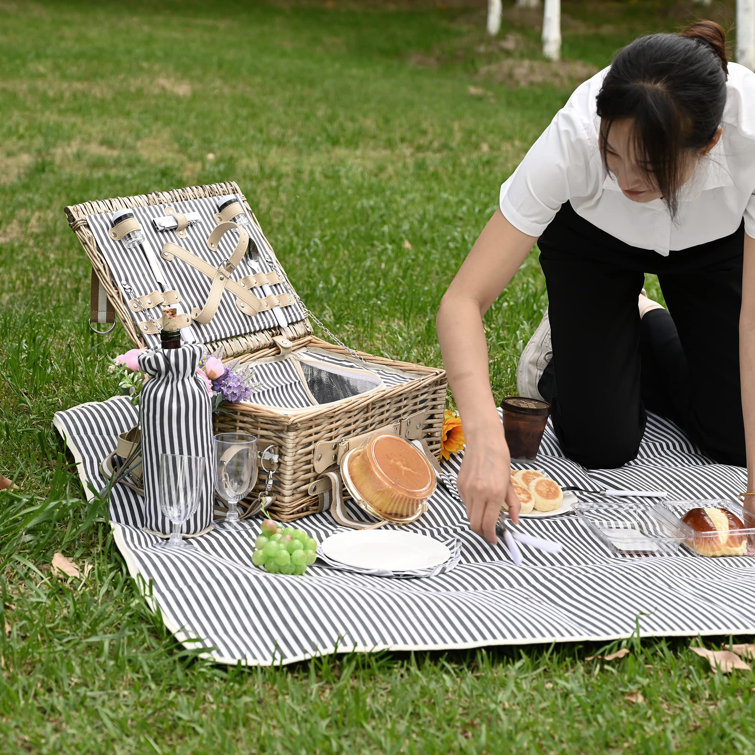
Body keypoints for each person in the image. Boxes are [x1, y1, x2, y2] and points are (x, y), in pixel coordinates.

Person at [436, 20, 755, 544]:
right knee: (600, 444)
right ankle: (567, 342)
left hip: (712, 247)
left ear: (711, 142)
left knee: (734, 439)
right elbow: (463, 301)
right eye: (612, 154)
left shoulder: (748, 135)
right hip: (593, 242)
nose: (627, 179)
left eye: (651, 167)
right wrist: (485, 439)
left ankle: (640, 317)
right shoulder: (573, 135)